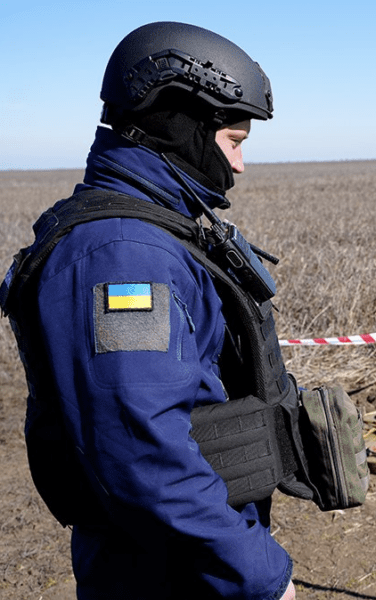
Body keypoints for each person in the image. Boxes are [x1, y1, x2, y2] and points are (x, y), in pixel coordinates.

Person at [0, 22, 298, 599]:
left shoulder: (153, 235)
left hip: (187, 553)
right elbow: (142, 455)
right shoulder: (121, 255)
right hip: (166, 571)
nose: (240, 166)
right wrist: (257, 575)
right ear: (181, 126)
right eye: (234, 141)